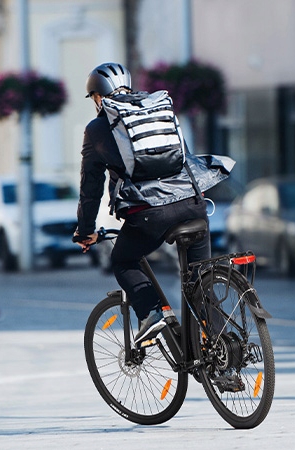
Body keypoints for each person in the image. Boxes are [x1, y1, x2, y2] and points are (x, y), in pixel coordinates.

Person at [73, 62, 234, 344]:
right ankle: (222, 350)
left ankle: (151, 313)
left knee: (123, 260)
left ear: (97, 97)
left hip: (150, 213)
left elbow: (91, 187)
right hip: (193, 203)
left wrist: (85, 230)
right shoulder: (158, 109)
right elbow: (184, 157)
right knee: (200, 279)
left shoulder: (98, 128)